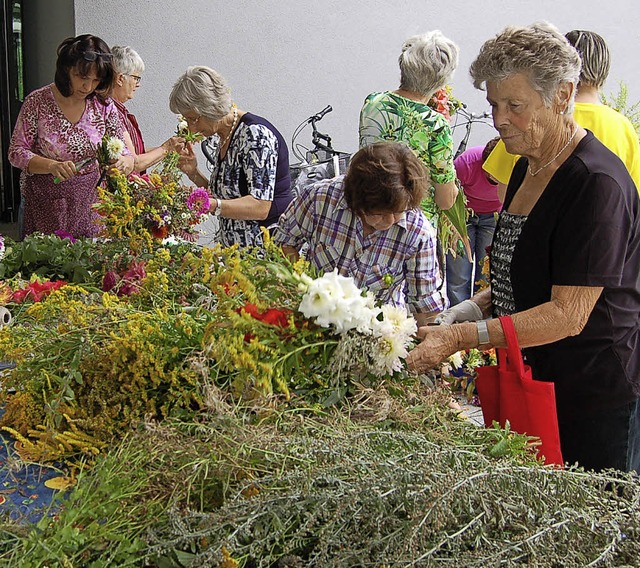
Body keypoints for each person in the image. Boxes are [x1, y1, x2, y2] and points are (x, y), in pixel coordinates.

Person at [407, 23, 640, 474]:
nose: (499, 119)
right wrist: (470, 308)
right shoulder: (526, 167)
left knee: (589, 525)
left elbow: (567, 314)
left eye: (515, 105)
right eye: (494, 103)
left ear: (561, 95)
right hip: (533, 378)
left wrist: (459, 337)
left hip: (592, 392)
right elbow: (525, 269)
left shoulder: (596, 184)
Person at [274, 142, 446, 326]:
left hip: (376, 333)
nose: (389, 222)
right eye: (378, 214)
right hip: (313, 321)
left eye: (398, 212)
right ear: (356, 202)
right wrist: (304, 286)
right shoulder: (320, 198)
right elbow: (284, 243)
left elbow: (425, 309)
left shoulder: (418, 232)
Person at [483, 29, 640, 193]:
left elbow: (503, 189)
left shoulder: (536, 112)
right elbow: (632, 196)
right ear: (605, 69)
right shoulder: (623, 128)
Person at [8, 34, 133, 238]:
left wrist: (122, 163)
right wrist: (51, 166)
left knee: (90, 264)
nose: (88, 87)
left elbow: (125, 152)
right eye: (82, 78)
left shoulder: (103, 105)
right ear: (67, 69)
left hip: (91, 203)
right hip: (45, 203)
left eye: (96, 80)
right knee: (49, 264)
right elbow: (16, 152)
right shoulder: (37, 102)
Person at [169, 66, 292, 248]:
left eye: (193, 119)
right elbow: (227, 197)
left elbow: (260, 206)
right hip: (236, 253)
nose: (191, 128)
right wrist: (193, 173)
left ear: (211, 107)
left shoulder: (255, 135)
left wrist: (209, 205)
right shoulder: (225, 135)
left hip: (264, 254)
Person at [358, 31, 461, 244]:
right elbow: (444, 200)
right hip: (410, 231)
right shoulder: (435, 124)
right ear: (441, 79)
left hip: (369, 214)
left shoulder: (373, 102)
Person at [446, 137, 502, 306]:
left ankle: (478, 317)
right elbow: (448, 193)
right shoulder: (467, 163)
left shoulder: (515, 166)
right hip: (463, 216)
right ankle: (457, 319)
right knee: (458, 272)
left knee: (486, 270)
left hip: (492, 218)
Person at [110, 45, 184, 173]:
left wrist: (168, 150)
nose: (138, 84)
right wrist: (166, 148)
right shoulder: (111, 114)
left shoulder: (119, 111)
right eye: (136, 78)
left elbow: (137, 151)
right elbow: (135, 163)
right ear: (120, 79)